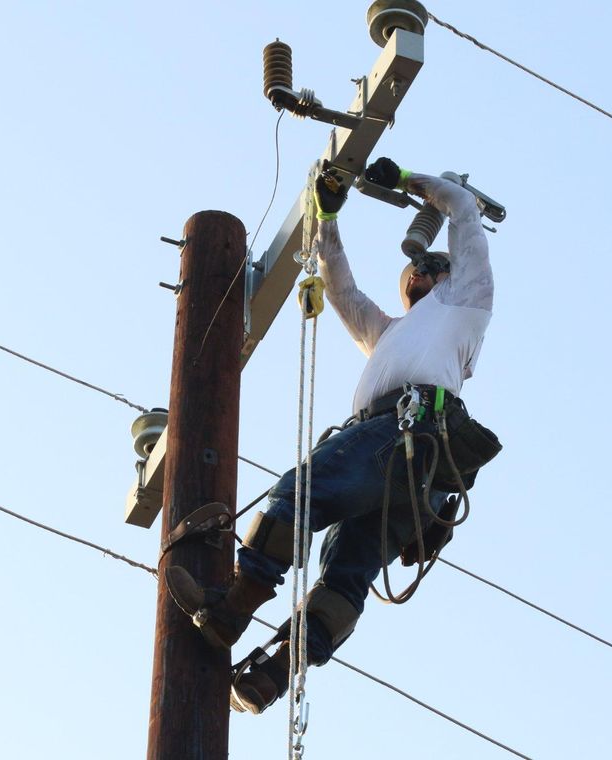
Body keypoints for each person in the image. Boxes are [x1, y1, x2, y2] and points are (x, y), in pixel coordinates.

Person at [166, 157, 495, 714]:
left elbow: (463, 211)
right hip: (410, 464)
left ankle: (232, 610)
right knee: (347, 573)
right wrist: (329, 212)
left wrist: (406, 179)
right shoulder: (391, 333)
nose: (414, 278)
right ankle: (270, 677)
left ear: (444, 276)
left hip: (404, 432)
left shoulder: (467, 301)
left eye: (425, 271)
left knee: (299, 492)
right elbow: (341, 288)